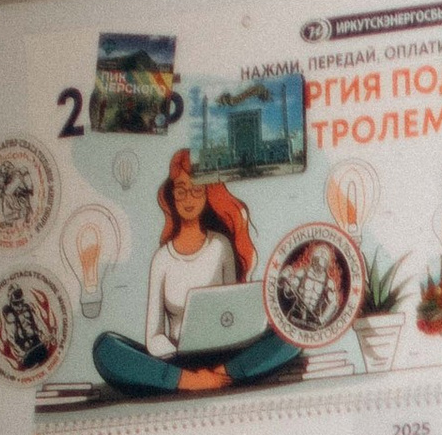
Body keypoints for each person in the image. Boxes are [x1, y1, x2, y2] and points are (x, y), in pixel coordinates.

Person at [90, 149, 306, 399]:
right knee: (105, 348)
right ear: (172, 195)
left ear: (206, 195)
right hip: (176, 360)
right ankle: (191, 381)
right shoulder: (162, 259)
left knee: (295, 333)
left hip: (224, 356)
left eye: (196, 190)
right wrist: (176, 355)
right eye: (181, 190)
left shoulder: (220, 246)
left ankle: (221, 375)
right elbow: (154, 335)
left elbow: (232, 316)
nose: (188, 198)